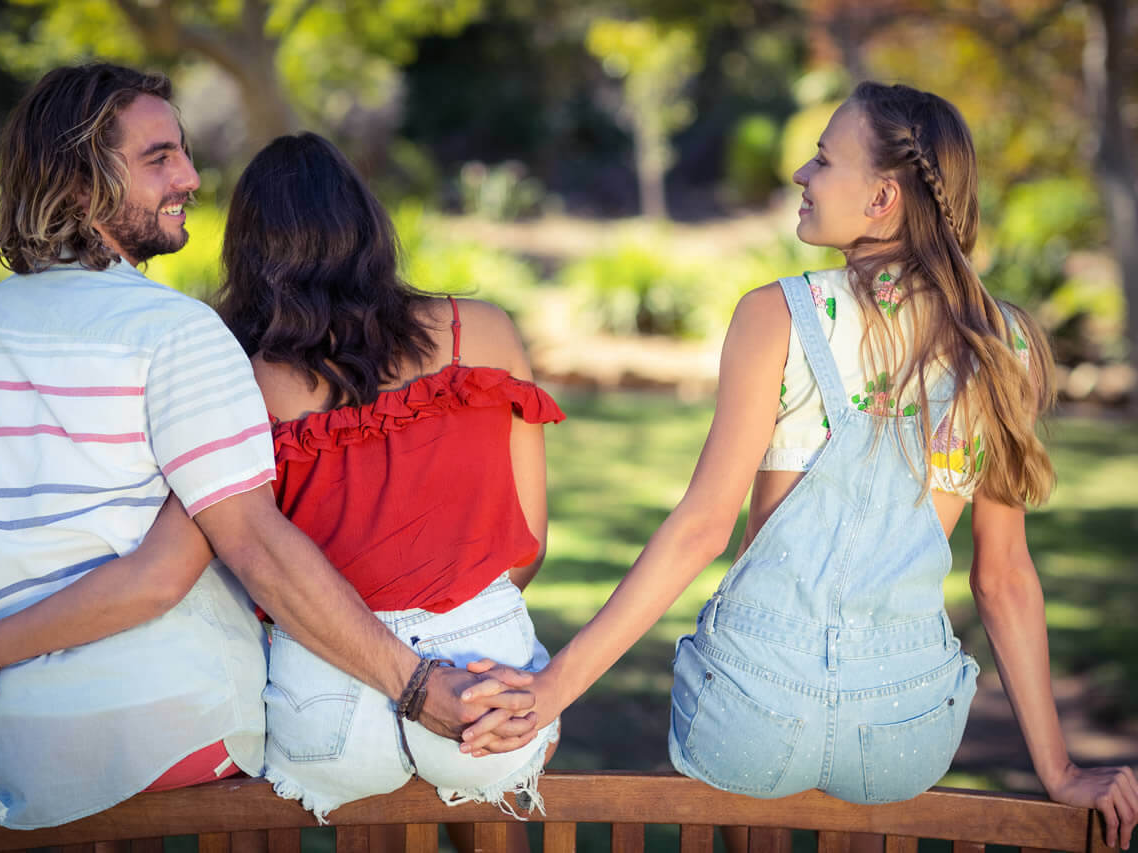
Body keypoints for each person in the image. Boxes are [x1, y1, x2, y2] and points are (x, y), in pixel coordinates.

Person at [461, 81, 1138, 849]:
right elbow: (1004, 577)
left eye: (822, 158)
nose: (801, 176)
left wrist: (553, 690)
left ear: (883, 196)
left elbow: (702, 527)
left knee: (752, 731)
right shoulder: (1003, 343)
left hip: (754, 715)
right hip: (904, 733)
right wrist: (1059, 771)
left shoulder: (779, 313)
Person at [0, 62, 536, 830]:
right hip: (173, 732)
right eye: (159, 159)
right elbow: (224, 556)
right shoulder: (175, 333)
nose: (191, 176)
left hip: (20, 744)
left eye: (181, 152)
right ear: (78, 186)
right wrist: (414, 685)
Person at [211, 133, 562, 825]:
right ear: (368, 226)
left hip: (324, 678)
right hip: (480, 661)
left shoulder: (240, 373)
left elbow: (249, 553)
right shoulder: (479, 330)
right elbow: (529, 546)